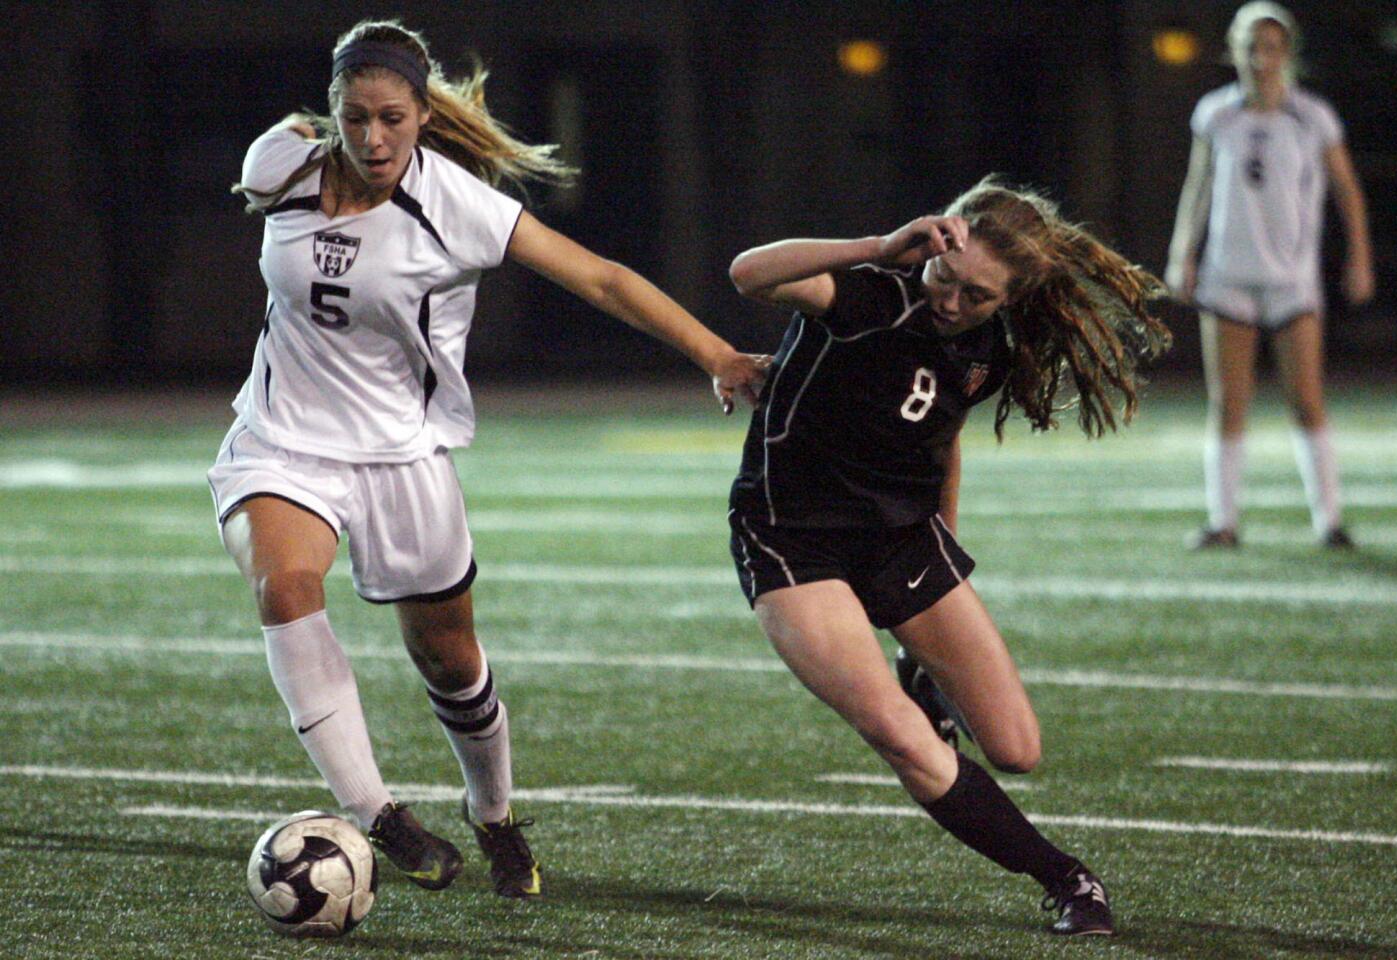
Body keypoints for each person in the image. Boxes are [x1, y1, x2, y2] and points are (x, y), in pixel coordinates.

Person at [208, 20, 768, 900]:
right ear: (331, 115)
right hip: (280, 441)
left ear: (425, 115)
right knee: (285, 588)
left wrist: (716, 354)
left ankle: (495, 815)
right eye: (354, 118)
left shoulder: (456, 205)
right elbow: (272, 208)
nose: (374, 138)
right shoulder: (280, 164)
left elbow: (603, 279)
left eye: (393, 117)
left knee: (451, 660)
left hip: (403, 456)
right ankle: (380, 818)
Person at [726, 176, 1170, 937]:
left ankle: (922, 673)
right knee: (905, 739)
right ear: (935, 243)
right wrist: (879, 245)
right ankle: (1065, 877)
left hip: (901, 536)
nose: (953, 303)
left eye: (979, 296)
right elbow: (747, 272)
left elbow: (942, 437)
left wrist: (945, 551)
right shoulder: (870, 294)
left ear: (1010, 301)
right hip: (793, 538)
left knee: (1016, 749)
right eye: (947, 279)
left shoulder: (992, 347)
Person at [1166, 1, 1374, 549]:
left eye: (1273, 47)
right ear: (1236, 51)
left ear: (1288, 52)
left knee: (1306, 399)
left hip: (1291, 280)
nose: (1262, 58)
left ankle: (1329, 520)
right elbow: (1199, 185)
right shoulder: (1216, 113)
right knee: (1227, 403)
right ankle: (1223, 522)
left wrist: (1360, 256)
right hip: (1227, 276)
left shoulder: (1313, 117)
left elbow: (1346, 191)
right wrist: (1182, 252)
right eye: (1252, 46)